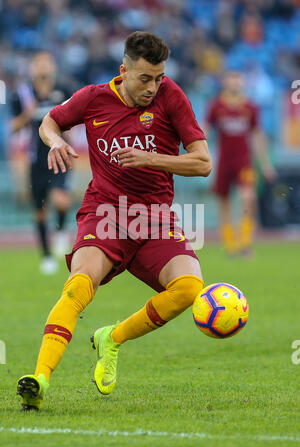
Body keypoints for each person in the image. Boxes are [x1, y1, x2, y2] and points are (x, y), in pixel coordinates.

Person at [17, 31, 212, 410]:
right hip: (105, 212)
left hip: (155, 218)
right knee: (78, 285)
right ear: (123, 71)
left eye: (158, 77)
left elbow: (203, 162)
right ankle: (39, 380)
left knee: (189, 289)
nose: (153, 87)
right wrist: (55, 141)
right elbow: (49, 121)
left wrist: (151, 158)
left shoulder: (172, 96)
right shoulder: (93, 98)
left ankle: (113, 338)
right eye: (145, 78)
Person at [10, 52, 72, 274]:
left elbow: (73, 120)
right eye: (39, 64)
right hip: (35, 160)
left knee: (61, 200)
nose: (44, 68)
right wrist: (32, 107)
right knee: (40, 211)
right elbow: (14, 126)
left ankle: (62, 230)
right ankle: (46, 257)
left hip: (59, 155)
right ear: (32, 69)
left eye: (47, 63)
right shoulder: (22, 94)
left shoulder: (63, 90)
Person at [204, 70, 276, 257]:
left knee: (247, 198)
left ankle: (245, 243)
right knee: (224, 202)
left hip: (244, 160)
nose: (235, 84)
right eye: (231, 80)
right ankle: (230, 244)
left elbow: (257, 135)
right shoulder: (216, 106)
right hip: (224, 160)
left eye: (238, 80)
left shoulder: (250, 107)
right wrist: (200, 152)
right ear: (226, 82)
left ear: (242, 83)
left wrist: (265, 163)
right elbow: (205, 131)